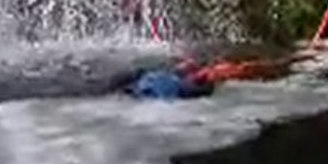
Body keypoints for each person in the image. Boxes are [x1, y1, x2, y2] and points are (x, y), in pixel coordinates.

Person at [123, 54, 305, 100]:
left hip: (163, 85)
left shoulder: (155, 80)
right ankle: (281, 65)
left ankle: (280, 65)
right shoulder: (187, 80)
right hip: (175, 86)